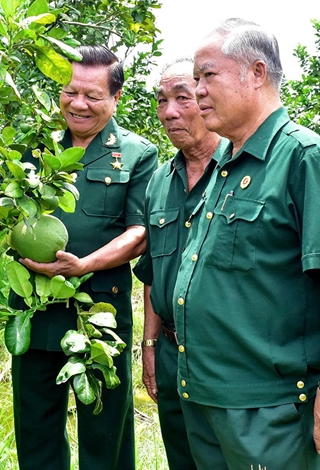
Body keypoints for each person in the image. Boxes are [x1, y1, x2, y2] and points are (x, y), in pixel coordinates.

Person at [173, 19, 320, 469]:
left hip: (271, 408)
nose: (198, 90)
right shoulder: (225, 162)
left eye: (208, 75)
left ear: (256, 73)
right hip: (207, 395)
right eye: (196, 78)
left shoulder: (306, 158)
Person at [13, 45, 159, 470]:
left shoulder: (137, 154)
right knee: (35, 430)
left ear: (116, 97)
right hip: (34, 309)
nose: (78, 104)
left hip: (99, 313)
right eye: (70, 92)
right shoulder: (34, 148)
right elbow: (3, 217)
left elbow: (139, 234)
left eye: (92, 95)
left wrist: (84, 265)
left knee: (105, 432)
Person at [132, 58, 223, 470]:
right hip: (172, 353)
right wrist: (150, 346)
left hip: (227, 356)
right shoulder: (160, 181)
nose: (169, 112)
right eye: (161, 101)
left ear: (206, 98)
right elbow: (154, 273)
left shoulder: (240, 172)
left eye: (182, 98)